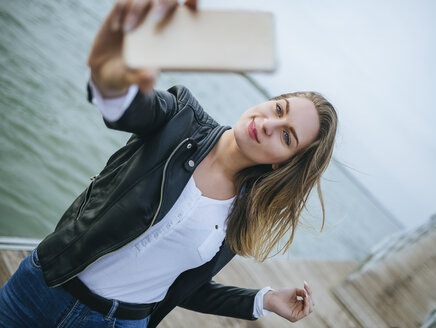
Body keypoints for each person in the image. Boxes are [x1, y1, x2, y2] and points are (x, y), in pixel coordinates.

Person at [0, 0, 338, 327]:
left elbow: (181, 288)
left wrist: (262, 300)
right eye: (279, 109)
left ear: (284, 164)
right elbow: (122, 104)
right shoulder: (181, 117)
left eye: (287, 137)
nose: (269, 124)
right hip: (44, 286)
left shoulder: (244, 214)